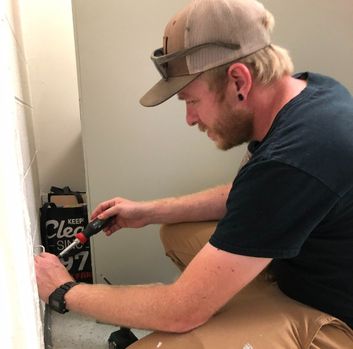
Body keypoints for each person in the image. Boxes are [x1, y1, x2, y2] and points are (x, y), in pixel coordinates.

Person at [35, 0, 353, 347]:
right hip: (298, 267)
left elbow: (180, 310)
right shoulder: (309, 94)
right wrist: (147, 211)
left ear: (238, 81)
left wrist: (64, 290)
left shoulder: (294, 159)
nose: (190, 118)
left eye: (191, 100)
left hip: (332, 314)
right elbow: (252, 194)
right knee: (176, 232)